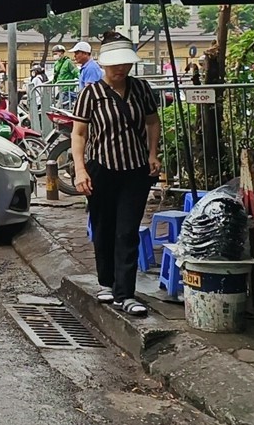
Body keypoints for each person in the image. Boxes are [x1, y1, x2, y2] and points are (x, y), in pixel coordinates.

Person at [70, 33, 161, 317]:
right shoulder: (91, 93)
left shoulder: (142, 89)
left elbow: (152, 121)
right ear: (105, 65)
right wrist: (80, 169)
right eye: (115, 65)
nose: (121, 70)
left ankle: (126, 293)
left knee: (127, 231)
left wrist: (152, 153)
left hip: (135, 170)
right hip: (101, 168)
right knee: (104, 227)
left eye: (125, 64)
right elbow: (79, 133)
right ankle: (106, 282)